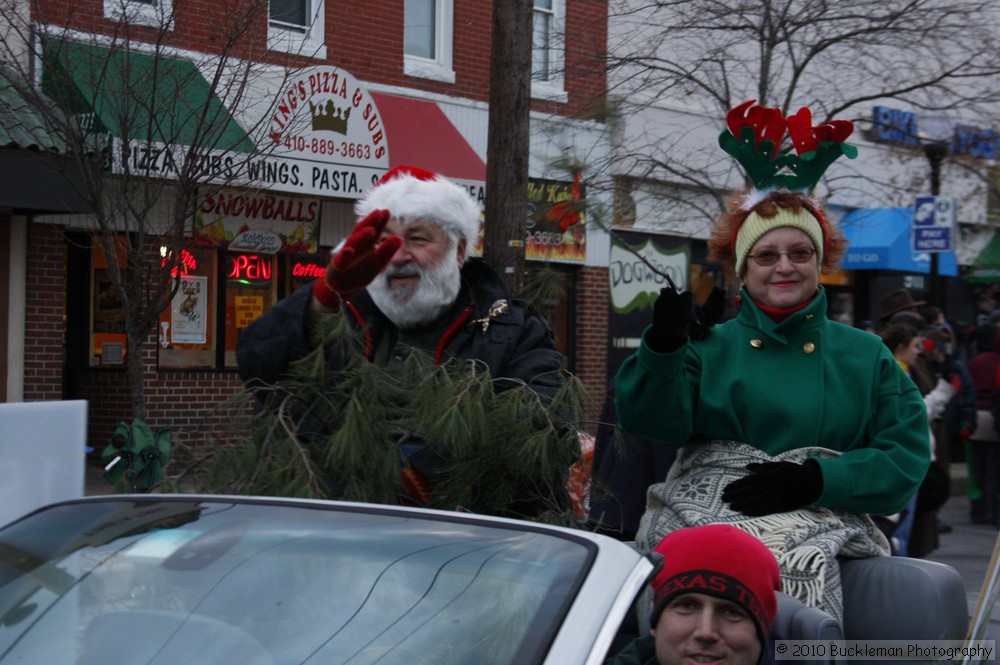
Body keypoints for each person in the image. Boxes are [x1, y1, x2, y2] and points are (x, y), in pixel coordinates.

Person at [615, 101, 930, 619]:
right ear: (745, 268)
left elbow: (906, 459)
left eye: (800, 253)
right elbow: (650, 422)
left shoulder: (864, 354)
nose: (784, 266)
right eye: (766, 255)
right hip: (698, 515)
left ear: (818, 263)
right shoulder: (709, 345)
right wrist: (664, 351)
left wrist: (818, 481)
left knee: (786, 574)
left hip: (819, 524)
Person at [236, 164, 568, 506]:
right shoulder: (340, 312)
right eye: (384, 241)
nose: (397, 256)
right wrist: (323, 297)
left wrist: (409, 472)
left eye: (418, 239)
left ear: (459, 250)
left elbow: (545, 434)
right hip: (330, 527)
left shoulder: (511, 328)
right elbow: (258, 368)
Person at [607, 524, 782, 665]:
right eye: (687, 606)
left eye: (731, 612)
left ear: (761, 633)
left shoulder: (801, 650)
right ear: (655, 625)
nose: (705, 632)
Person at [965, 326, 1000, 526]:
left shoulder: (976, 361)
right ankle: (992, 510)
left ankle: (978, 508)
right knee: (994, 468)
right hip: (993, 419)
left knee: (977, 468)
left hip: (976, 418)